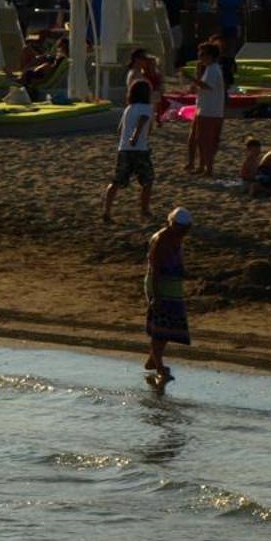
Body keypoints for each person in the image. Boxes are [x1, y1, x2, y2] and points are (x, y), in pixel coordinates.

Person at [143, 207, 192, 390]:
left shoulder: (177, 238)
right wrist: (156, 295)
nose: (181, 230)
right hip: (161, 286)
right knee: (161, 328)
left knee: (168, 326)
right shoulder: (161, 239)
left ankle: (153, 359)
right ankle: (159, 366)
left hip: (172, 286)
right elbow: (155, 269)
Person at [103, 80, 157, 221]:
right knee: (147, 180)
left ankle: (107, 211)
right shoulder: (147, 107)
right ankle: (144, 210)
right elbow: (143, 120)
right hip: (139, 149)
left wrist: (129, 136)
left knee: (116, 181)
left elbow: (120, 128)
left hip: (124, 149)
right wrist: (135, 136)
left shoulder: (128, 108)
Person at [185, 42, 226, 176]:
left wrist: (190, 78)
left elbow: (207, 86)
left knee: (205, 140)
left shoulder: (213, 69)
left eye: (202, 54)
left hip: (210, 110)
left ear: (209, 56)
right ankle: (203, 166)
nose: (200, 57)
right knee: (201, 139)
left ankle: (208, 168)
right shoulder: (210, 69)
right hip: (207, 109)